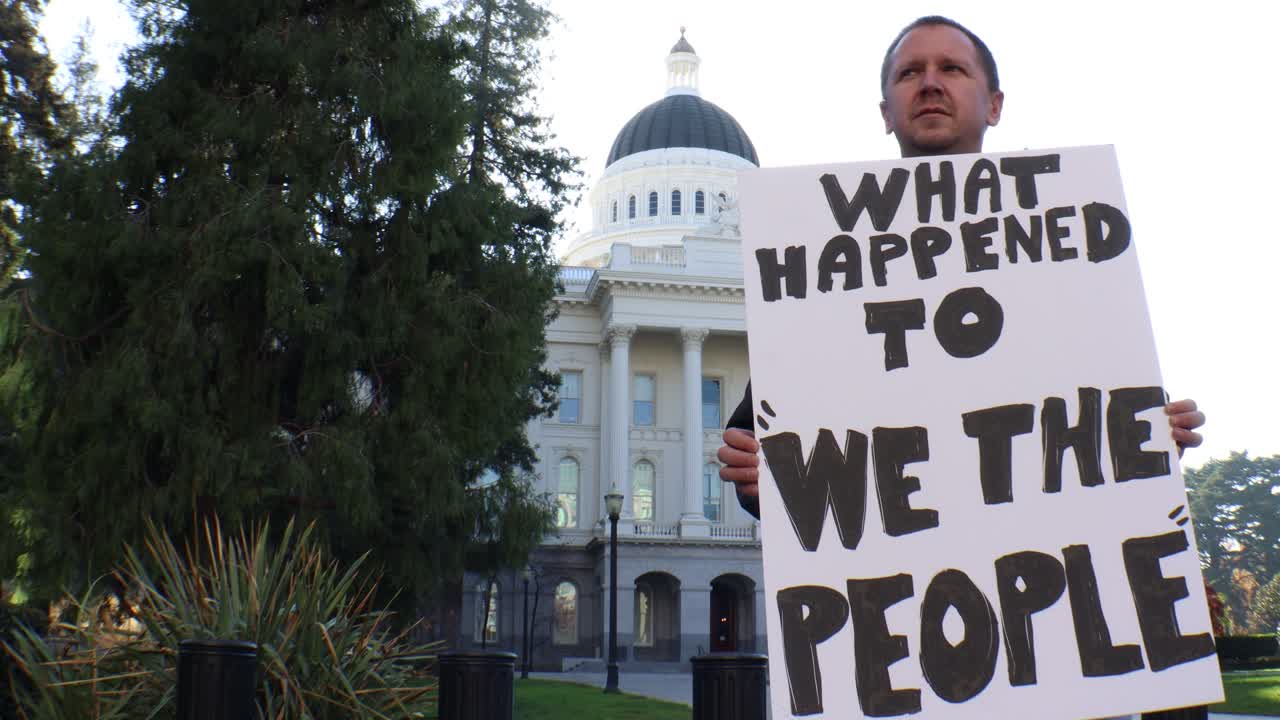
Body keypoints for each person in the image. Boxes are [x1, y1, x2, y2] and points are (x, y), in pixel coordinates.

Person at [718, 16, 1207, 519]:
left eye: (951, 68)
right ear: (886, 112)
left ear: (994, 104)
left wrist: (1153, 438)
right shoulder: (820, 263)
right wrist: (754, 476)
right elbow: (770, 455)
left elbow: (1106, 435)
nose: (930, 83)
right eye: (910, 73)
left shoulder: (1068, 246)